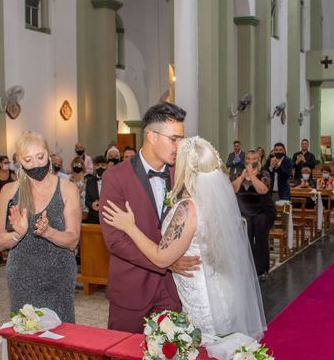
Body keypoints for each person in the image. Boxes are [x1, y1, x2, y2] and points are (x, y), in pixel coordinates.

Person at [103, 136, 266, 340]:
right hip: (221, 288)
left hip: (201, 296)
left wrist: (130, 227)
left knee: (204, 351)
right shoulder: (215, 201)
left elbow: (161, 258)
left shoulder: (188, 208)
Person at [99, 102, 198, 333]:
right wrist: (165, 261)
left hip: (172, 289)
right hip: (131, 288)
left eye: (181, 139)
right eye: (174, 138)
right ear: (152, 136)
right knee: (123, 358)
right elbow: (115, 240)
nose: (179, 145)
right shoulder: (116, 177)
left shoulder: (181, 174)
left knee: (172, 356)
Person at [0, 131, 81, 323]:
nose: (36, 164)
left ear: (49, 155)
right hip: (22, 275)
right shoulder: (9, 191)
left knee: (61, 336)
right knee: (27, 338)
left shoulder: (67, 189)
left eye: (40, 157)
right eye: (28, 159)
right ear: (19, 162)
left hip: (59, 275)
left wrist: (49, 232)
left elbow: (73, 240)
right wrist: (17, 234)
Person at [232, 150, 275, 280]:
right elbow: (232, 188)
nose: (251, 161)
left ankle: (261, 270)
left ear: (259, 160)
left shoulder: (264, 173)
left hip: (262, 210)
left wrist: (252, 175)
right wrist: (242, 176)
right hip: (245, 211)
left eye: (254, 158)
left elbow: (263, 190)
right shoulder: (240, 173)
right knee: (247, 239)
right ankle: (248, 268)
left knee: (261, 239)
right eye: (248, 159)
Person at [84, 155, 107, 224]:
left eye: (103, 165)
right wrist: (92, 204)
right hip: (93, 218)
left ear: (107, 166)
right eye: (97, 165)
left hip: (108, 217)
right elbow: (87, 201)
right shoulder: (90, 181)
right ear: (94, 167)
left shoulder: (112, 180)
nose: (100, 167)